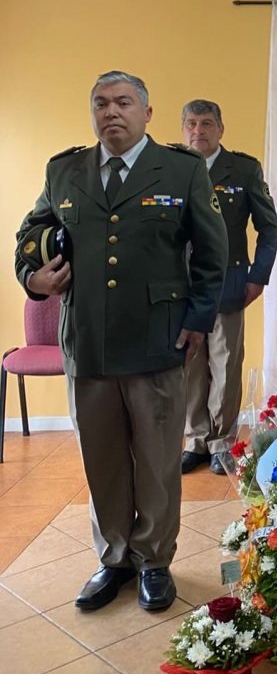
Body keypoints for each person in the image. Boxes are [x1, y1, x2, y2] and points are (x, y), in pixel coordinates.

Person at [15, 72, 228, 611]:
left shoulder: (180, 170)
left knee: (157, 460)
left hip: (158, 336)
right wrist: (33, 278)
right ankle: (114, 558)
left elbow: (211, 252)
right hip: (86, 339)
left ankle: (153, 560)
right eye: (101, 103)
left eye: (124, 102)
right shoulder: (64, 171)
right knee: (101, 458)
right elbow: (30, 234)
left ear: (147, 113)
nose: (112, 111)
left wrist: (200, 319)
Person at [179, 100, 277, 475]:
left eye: (206, 124)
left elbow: (269, 228)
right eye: (190, 124)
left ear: (221, 129)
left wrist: (258, 276)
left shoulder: (244, 169)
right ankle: (195, 440)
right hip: (184, 285)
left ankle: (223, 443)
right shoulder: (173, 168)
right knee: (189, 365)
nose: (198, 131)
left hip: (229, 281)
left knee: (225, 364)